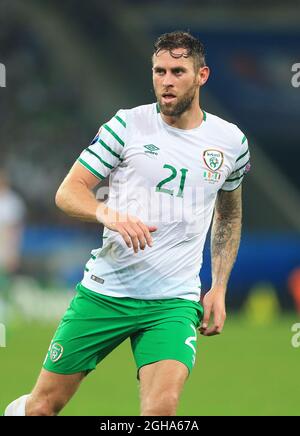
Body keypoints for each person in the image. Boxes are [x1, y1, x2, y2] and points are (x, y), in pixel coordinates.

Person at [4, 31, 250, 416]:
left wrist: (219, 286)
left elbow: (230, 213)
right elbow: (69, 192)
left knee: (161, 411)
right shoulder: (127, 126)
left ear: (202, 75)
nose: (166, 81)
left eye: (177, 72)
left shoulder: (230, 142)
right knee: (42, 407)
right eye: (159, 71)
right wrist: (108, 213)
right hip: (107, 292)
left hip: (173, 300)